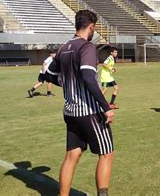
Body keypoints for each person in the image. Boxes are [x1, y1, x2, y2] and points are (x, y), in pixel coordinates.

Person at [47, 10, 115, 196]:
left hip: (70, 111)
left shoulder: (63, 48)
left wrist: (68, 85)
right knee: (106, 153)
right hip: (89, 111)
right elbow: (87, 76)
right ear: (91, 27)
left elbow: (48, 75)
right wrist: (106, 107)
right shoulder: (87, 47)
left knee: (72, 155)